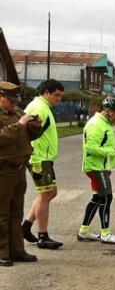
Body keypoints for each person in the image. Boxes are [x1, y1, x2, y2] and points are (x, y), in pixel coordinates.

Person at [0, 81, 43, 266]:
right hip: (3, 169)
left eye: (16, 100)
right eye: (11, 100)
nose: (15, 104)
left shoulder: (17, 112)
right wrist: (19, 124)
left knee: (17, 212)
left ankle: (17, 250)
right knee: (2, 214)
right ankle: (2, 252)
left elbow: (28, 137)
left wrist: (35, 127)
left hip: (19, 170)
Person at [77, 96, 115, 244]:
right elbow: (91, 148)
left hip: (99, 166)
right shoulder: (97, 124)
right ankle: (105, 234)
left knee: (98, 198)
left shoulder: (104, 123)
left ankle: (84, 231)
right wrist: (112, 152)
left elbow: (102, 146)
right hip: (96, 167)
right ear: (108, 111)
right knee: (107, 197)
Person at [21, 79, 65, 249]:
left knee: (50, 193)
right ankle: (43, 236)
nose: (59, 98)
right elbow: (28, 133)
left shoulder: (43, 107)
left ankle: (25, 227)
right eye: (56, 95)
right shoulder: (38, 108)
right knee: (46, 195)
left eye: (60, 95)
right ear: (46, 92)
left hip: (44, 158)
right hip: (38, 159)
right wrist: (36, 159)